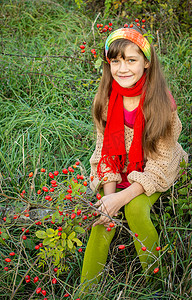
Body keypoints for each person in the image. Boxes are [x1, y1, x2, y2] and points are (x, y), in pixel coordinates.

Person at [80, 23, 188, 292]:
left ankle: (155, 283)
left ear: (146, 62)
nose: (123, 68)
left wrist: (121, 198)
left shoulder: (161, 103)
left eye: (131, 60)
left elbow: (161, 162)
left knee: (135, 209)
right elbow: (103, 152)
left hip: (157, 168)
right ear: (108, 64)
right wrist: (109, 196)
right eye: (115, 61)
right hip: (121, 168)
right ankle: (86, 292)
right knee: (102, 219)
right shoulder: (106, 98)